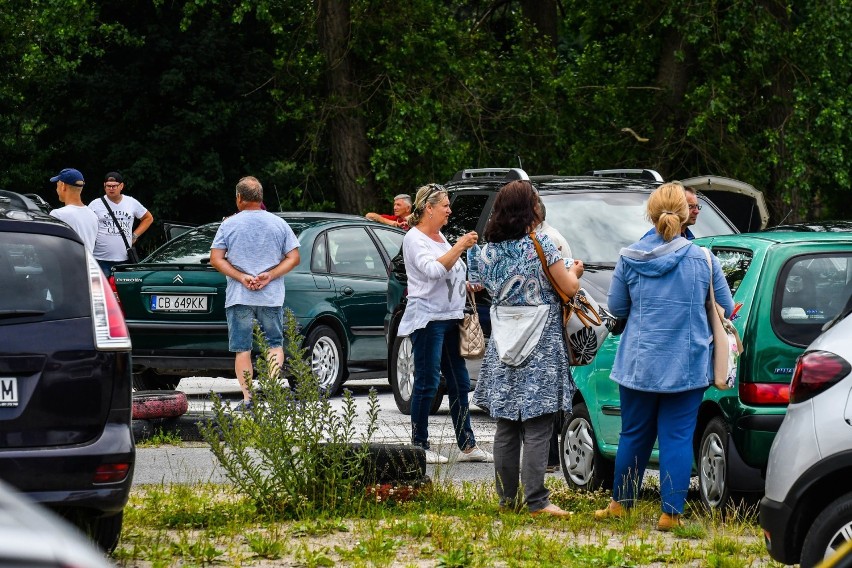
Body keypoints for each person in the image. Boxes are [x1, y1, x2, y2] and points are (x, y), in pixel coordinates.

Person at [596, 182, 734, 530]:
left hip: (639, 362)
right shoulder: (704, 259)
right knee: (677, 437)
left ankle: (620, 504)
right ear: (686, 215)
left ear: (651, 212)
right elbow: (727, 309)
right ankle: (671, 514)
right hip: (686, 364)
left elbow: (616, 308)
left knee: (634, 434)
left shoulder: (629, 257)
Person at [468, 180, 584, 517]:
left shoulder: (486, 251)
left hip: (504, 340)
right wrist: (574, 270)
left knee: (506, 423)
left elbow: (480, 287)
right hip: (541, 343)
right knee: (537, 423)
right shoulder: (541, 244)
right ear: (528, 209)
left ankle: (507, 500)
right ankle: (537, 501)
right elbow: (569, 287)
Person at [396, 183, 491, 464]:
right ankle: (419, 445)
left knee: (461, 382)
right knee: (427, 382)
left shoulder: (439, 237)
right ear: (429, 208)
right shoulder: (415, 239)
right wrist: (461, 245)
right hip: (427, 319)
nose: (450, 210)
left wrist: (467, 285)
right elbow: (434, 270)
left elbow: (450, 273)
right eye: (445, 206)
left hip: (451, 316)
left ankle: (468, 445)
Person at [210, 176, 301, 410]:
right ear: (261, 198)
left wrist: (241, 277)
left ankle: (248, 399)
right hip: (270, 296)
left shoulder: (228, 224)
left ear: (239, 198)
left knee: (243, 348)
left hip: (239, 296)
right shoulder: (279, 224)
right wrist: (270, 275)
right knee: (274, 344)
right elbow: (294, 257)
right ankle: (272, 393)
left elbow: (216, 259)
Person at [88, 171, 154, 275]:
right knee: (101, 290)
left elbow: (148, 218)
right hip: (100, 259)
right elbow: (87, 224)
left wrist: (135, 235)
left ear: (121, 186)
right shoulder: (95, 204)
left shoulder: (131, 202)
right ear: (104, 186)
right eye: (108, 186)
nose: (111, 189)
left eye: (114, 186)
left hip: (125, 259)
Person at [48, 168, 98, 253]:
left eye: (57, 185)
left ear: (63, 186)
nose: (56, 189)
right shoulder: (93, 215)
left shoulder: (58, 214)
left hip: (67, 265)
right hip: (88, 265)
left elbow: (50, 245)